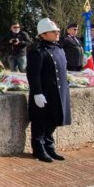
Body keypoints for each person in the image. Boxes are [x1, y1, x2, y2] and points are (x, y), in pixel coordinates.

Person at [26, 18, 71, 163]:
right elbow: (33, 74)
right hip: (44, 92)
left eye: (57, 31)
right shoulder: (36, 50)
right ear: (43, 34)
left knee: (53, 120)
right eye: (53, 31)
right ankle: (39, 149)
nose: (57, 33)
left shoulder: (58, 48)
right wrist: (37, 92)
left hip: (57, 92)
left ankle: (49, 146)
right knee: (40, 121)